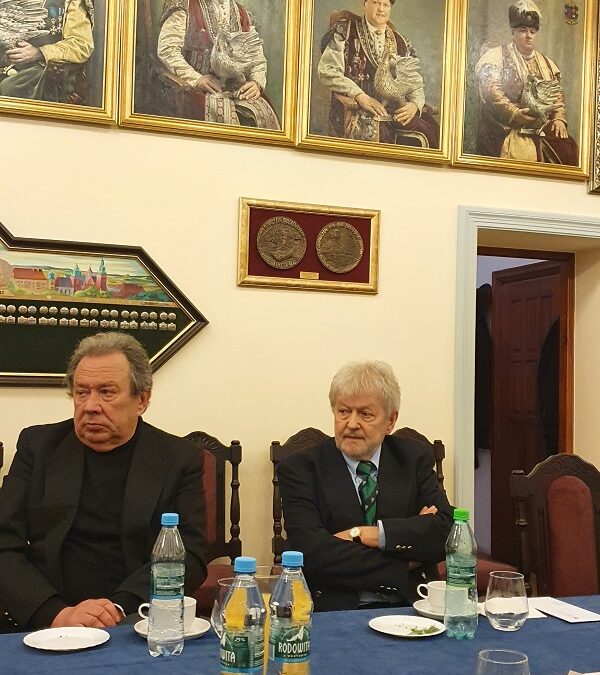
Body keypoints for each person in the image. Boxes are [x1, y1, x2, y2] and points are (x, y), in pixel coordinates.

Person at [0, 332, 207, 632]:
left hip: (135, 620)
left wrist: (118, 608)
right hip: (47, 621)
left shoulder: (178, 458)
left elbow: (191, 557)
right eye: (81, 392)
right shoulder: (38, 446)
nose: (90, 406)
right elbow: (4, 543)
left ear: (142, 399)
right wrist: (56, 614)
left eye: (106, 392)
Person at [277, 360, 453, 611]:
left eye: (365, 414)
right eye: (343, 411)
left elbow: (447, 532)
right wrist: (406, 560)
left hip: (410, 606)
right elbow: (312, 554)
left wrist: (368, 534)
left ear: (390, 420)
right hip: (335, 608)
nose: (351, 423)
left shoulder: (413, 459)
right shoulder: (301, 468)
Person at [317, 0, 439, 147]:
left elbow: (414, 81)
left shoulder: (400, 42)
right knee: (381, 135)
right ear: (365, 3)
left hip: (394, 109)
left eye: (385, 5)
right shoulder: (345, 31)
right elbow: (328, 70)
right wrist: (360, 96)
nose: (381, 9)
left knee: (430, 129)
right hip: (356, 107)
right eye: (376, 2)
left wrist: (414, 104)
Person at [474, 0, 578, 165]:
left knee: (568, 149)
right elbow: (492, 91)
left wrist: (559, 119)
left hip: (541, 127)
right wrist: (515, 114)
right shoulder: (496, 57)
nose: (528, 35)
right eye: (523, 30)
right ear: (513, 32)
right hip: (507, 127)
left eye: (532, 31)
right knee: (524, 155)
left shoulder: (547, 65)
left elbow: (556, 97)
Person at [156, 0, 280, 129]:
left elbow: (256, 57)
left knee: (265, 113)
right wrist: (197, 79)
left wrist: (256, 82)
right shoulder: (184, 6)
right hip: (195, 88)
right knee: (221, 117)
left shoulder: (243, 14)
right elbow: (167, 50)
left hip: (236, 88)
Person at [0, 0, 94, 103]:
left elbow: (81, 45)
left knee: (9, 88)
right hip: (4, 68)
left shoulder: (71, 2)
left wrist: (40, 53)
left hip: (41, 73)